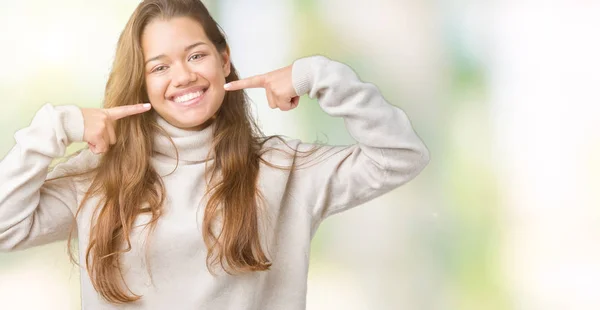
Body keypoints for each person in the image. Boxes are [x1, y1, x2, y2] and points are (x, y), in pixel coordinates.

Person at [0, 0, 430, 308]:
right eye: (160, 66)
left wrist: (316, 75)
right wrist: (56, 129)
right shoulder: (99, 177)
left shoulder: (284, 171)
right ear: (142, 81)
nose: (183, 76)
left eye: (196, 55)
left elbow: (401, 155)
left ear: (224, 60)